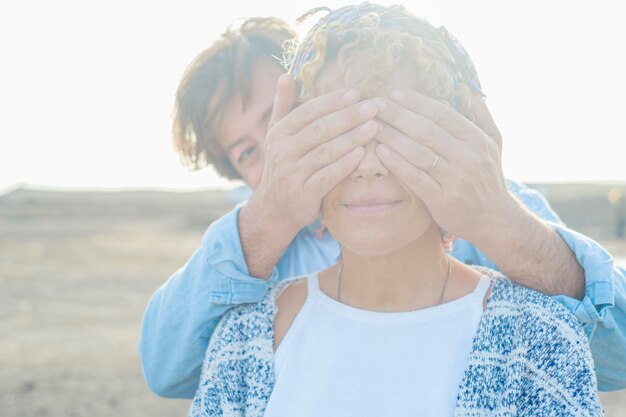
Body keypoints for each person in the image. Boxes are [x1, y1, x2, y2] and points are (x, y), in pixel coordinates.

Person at [139, 13, 626, 399]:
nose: (276, 148)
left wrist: (497, 219)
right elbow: (165, 368)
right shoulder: (245, 260)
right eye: (248, 151)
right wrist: (270, 218)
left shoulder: (472, 198)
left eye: (280, 118)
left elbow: (618, 354)